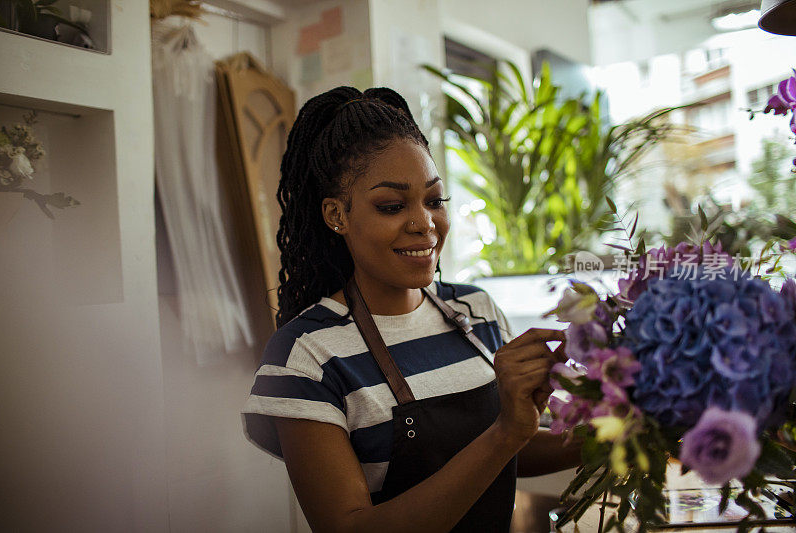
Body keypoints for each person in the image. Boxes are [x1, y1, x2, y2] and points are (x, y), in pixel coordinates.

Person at [242, 86, 580, 532]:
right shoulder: (307, 356)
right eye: (391, 206)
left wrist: (629, 424)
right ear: (336, 214)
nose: (424, 224)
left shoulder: (476, 310)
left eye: (434, 200)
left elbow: (515, 449)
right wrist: (506, 433)